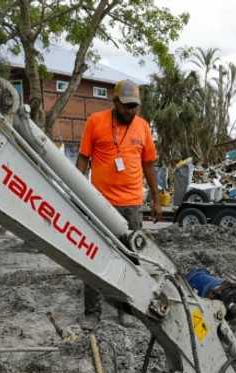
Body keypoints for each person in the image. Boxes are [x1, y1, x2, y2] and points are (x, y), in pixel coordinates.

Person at [76, 80, 162, 324]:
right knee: (93, 255)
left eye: (134, 106)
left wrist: (156, 199)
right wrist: (76, 192)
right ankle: (92, 314)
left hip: (132, 205)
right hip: (99, 203)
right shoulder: (95, 122)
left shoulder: (143, 127)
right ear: (114, 102)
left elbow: (149, 164)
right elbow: (83, 159)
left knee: (132, 258)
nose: (131, 111)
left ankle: (127, 309)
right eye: (126, 107)